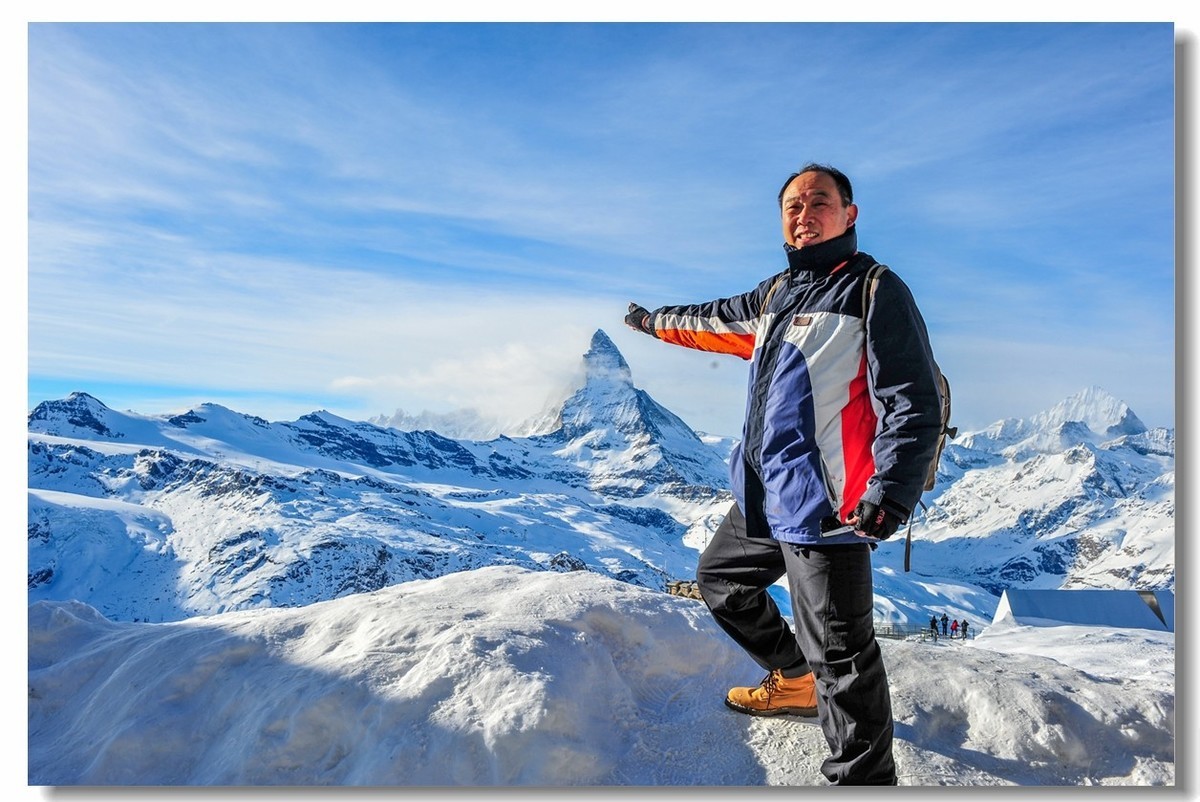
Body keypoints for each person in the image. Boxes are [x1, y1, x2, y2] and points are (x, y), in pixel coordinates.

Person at [623, 164, 943, 786]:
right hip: (765, 499)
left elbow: (915, 399)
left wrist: (891, 492)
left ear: (849, 214)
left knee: (844, 664)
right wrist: (650, 321)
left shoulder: (873, 290)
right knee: (721, 581)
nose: (804, 213)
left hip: (829, 507)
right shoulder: (776, 295)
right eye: (792, 205)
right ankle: (794, 681)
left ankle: (865, 783)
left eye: (819, 201)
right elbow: (709, 319)